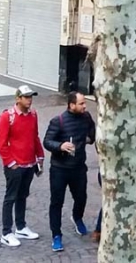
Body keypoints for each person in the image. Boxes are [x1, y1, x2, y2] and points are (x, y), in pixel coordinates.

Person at [42, 91, 96, 252]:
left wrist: (88, 139)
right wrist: (60, 146)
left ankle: (77, 217)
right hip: (59, 169)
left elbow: (92, 133)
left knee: (81, 197)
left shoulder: (86, 118)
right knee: (56, 202)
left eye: (84, 103)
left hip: (79, 167)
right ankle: (56, 235)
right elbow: (47, 141)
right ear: (71, 105)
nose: (85, 106)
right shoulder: (58, 121)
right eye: (81, 103)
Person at [0, 85, 45, 248]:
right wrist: (11, 163)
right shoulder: (7, 117)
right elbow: (1, 144)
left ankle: (21, 227)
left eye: (30, 97)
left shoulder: (33, 115)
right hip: (15, 166)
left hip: (29, 163)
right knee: (10, 197)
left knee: (22, 195)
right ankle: (6, 232)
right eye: (26, 97)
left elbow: (34, 136)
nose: (29, 100)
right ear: (18, 99)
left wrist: (40, 155)